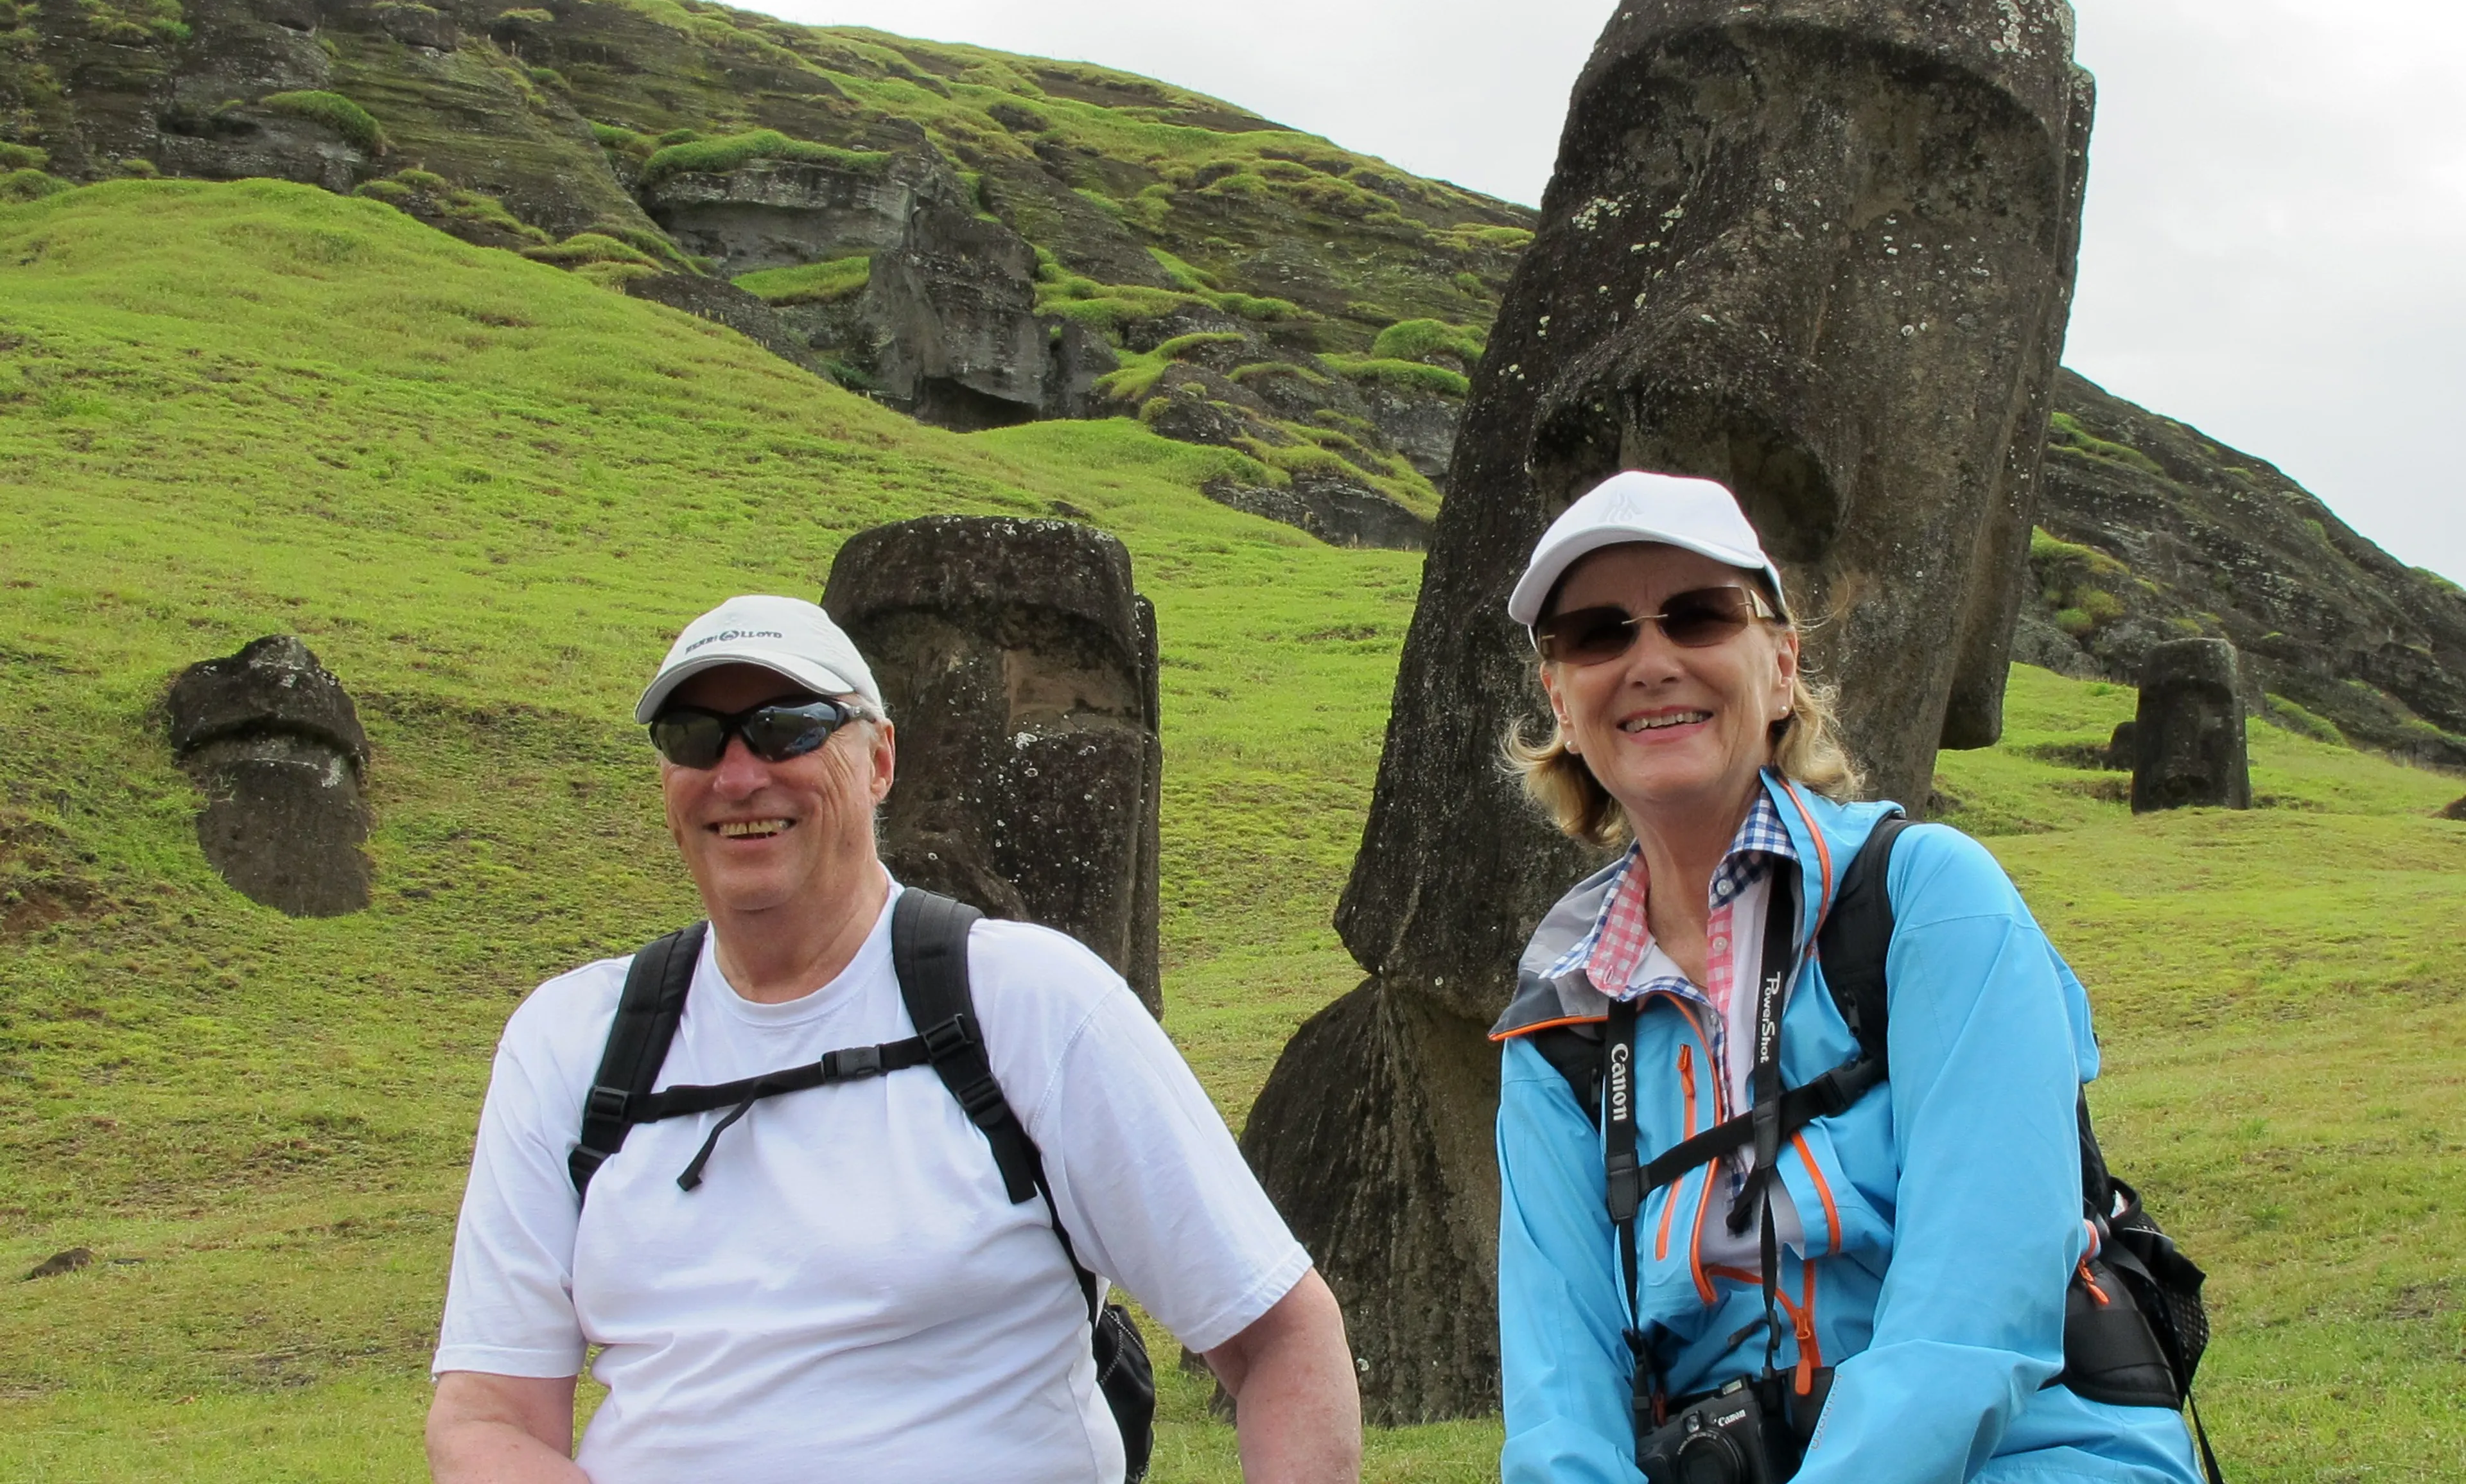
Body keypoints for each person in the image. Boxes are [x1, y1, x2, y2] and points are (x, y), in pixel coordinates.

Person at [427, 594, 1361, 1483]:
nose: (739, 773)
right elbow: (488, 1417)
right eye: (695, 736)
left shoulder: (1029, 1003)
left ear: (879, 760)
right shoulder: (569, 1041)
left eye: (788, 727)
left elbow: (1278, 1333)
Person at [1489, 473, 2205, 1483]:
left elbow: (1973, 1316)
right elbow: (1561, 1405)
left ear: (1781, 668)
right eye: (1599, 634)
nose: (1650, 662)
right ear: (1561, 698)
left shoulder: (1928, 901)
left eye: (1699, 616)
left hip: (2028, 1456)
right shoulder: (1557, 1019)